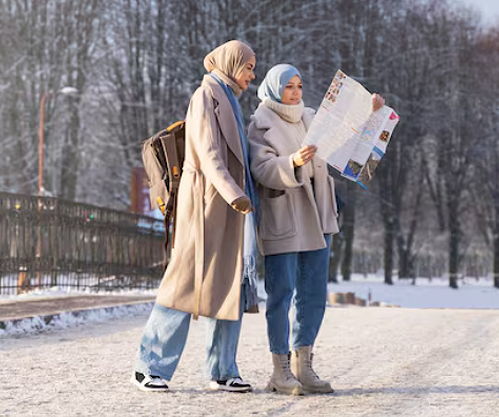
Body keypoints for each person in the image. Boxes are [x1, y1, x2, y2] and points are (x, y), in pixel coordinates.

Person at [132, 40, 260, 393]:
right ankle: (148, 366)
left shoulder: (229, 98)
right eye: (248, 66)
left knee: (229, 284)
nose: (252, 74)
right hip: (206, 203)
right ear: (231, 63)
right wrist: (234, 193)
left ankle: (223, 369)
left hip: (228, 206)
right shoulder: (205, 96)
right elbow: (207, 153)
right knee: (183, 282)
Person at [247, 64, 383, 395]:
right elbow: (260, 168)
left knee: (313, 294)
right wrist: (292, 162)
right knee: (281, 294)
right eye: (289, 86)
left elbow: (341, 136)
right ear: (274, 89)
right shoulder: (260, 123)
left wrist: (370, 113)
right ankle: (280, 370)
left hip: (319, 215)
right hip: (286, 215)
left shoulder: (309, 117)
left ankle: (302, 365)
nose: (296, 92)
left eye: (299, 85)